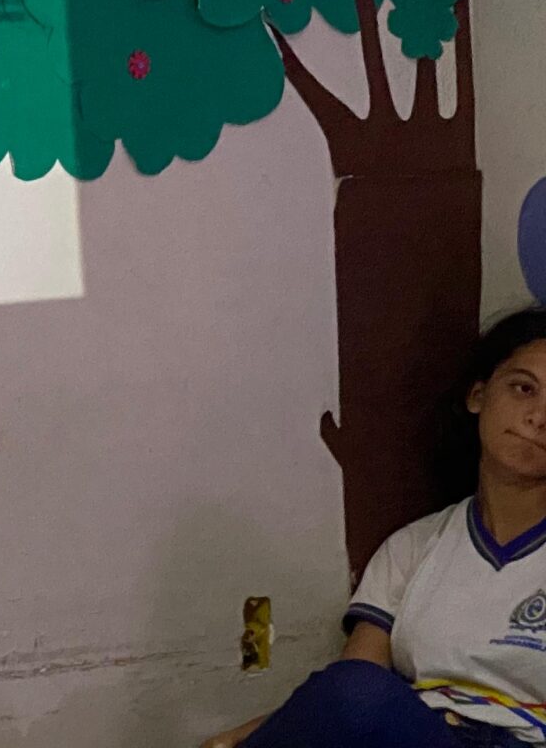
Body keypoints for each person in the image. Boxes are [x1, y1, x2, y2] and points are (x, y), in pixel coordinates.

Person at [204, 308, 546, 745]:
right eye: (523, 388)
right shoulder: (415, 547)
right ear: (478, 396)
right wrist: (240, 737)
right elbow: (352, 686)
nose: (538, 416)